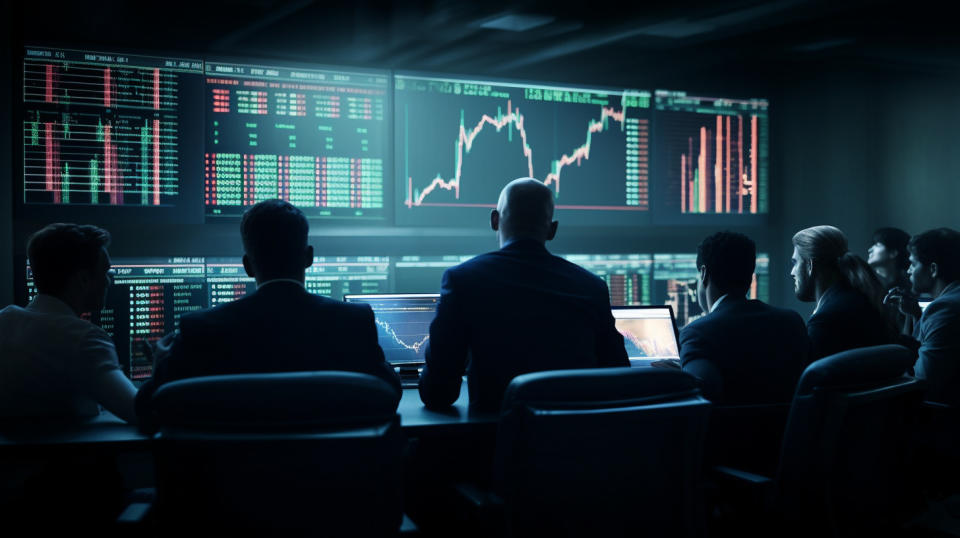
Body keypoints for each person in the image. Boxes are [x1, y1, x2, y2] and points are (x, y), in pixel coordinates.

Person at [135, 200, 400, 429]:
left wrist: (159, 367)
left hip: (232, 485)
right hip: (331, 482)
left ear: (247, 266)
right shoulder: (352, 322)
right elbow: (390, 394)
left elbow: (147, 413)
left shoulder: (200, 329)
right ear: (308, 257)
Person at [419, 178, 629, 412]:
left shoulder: (462, 280)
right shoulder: (592, 287)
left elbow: (437, 393)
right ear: (552, 230)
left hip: (493, 443)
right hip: (577, 443)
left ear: (494, 220)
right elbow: (619, 379)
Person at [0, 223, 137, 423]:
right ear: (82, 279)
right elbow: (142, 413)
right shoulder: (84, 339)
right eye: (105, 272)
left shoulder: (4, 320)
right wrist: (162, 365)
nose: (109, 281)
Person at [678, 231, 809, 404]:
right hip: (785, 430)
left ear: (703, 274)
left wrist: (680, 372)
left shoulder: (698, 333)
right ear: (749, 276)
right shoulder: (792, 322)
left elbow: (702, 395)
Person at [791, 225, 896, 360]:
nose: (792, 272)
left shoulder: (826, 321)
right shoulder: (862, 301)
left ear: (810, 266)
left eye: (795, 263)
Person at [884, 228, 960, 406]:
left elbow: (922, 381)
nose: (908, 271)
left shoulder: (943, 308)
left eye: (913, 264)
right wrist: (915, 316)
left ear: (933, 269)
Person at [868, 227, 915, 335]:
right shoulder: (869, 286)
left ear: (893, 252)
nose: (870, 249)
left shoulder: (906, 290)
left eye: (877, 245)